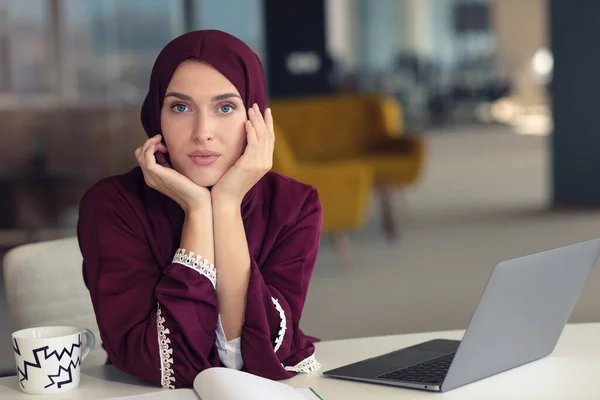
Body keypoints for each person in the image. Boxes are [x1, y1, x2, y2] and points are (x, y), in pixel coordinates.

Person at [76, 30, 323, 389]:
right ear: (156, 114)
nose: (202, 132)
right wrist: (197, 211)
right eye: (180, 107)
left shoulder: (295, 206)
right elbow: (162, 364)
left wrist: (224, 205)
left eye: (225, 107)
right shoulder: (111, 206)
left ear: (255, 119)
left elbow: (253, 357)